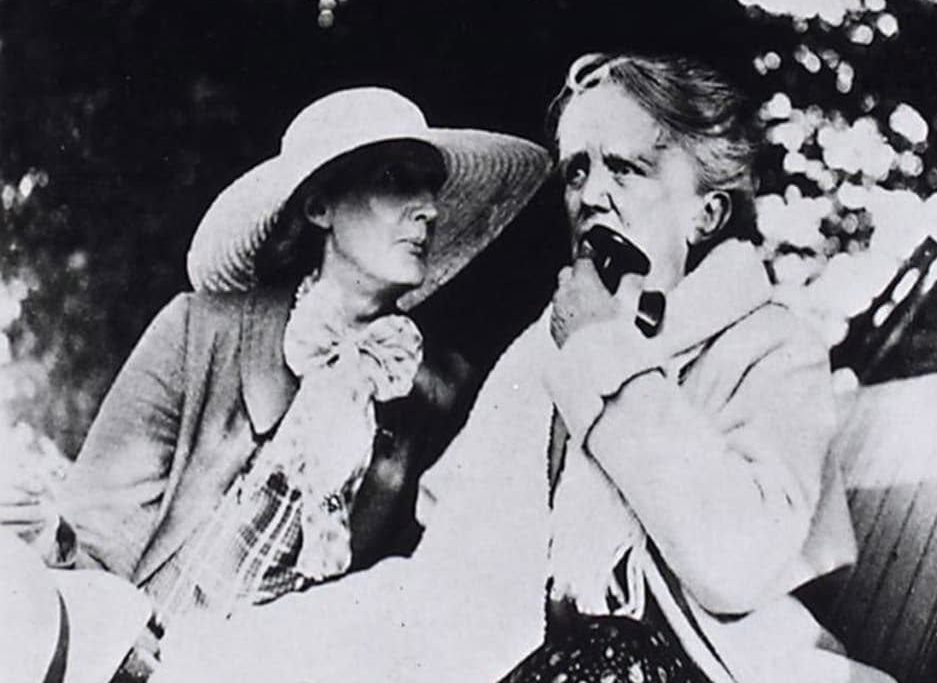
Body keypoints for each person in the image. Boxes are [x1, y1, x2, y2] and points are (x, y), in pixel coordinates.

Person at [150, 55, 892, 683]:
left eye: (626, 168)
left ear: (707, 213)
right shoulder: (547, 344)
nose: (592, 194)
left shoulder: (773, 346)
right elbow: (448, 567)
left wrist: (607, 357)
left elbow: (734, 562)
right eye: (576, 170)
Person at [0, 86, 550, 680]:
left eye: (430, 188)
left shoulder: (432, 391)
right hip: (139, 655)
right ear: (320, 208)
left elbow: (421, 600)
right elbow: (95, 533)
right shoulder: (201, 330)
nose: (429, 210)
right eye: (396, 180)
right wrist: (112, 641)